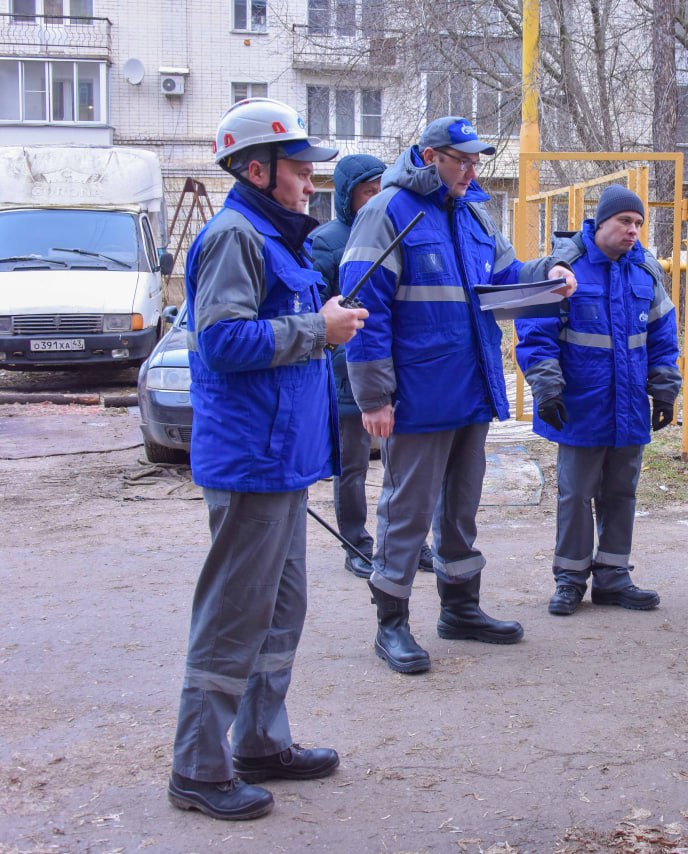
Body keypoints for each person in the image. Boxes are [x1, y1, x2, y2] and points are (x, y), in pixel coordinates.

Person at [169, 98, 367, 820]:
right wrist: (318, 329)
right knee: (235, 613)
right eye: (299, 167)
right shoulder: (235, 236)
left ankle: (258, 742)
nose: (311, 180)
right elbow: (223, 342)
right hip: (251, 460)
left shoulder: (277, 237)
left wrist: (321, 324)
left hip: (281, 460)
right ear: (258, 170)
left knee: (281, 610)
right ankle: (197, 767)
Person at [342, 116, 575, 674]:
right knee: (407, 510)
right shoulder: (387, 212)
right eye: (462, 161)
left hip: (471, 389)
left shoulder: (472, 214)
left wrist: (552, 270)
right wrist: (373, 397)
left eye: (475, 161)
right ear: (430, 157)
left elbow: (506, 276)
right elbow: (362, 307)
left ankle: (461, 609)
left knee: (461, 509)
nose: (472, 172)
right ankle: (391, 624)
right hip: (417, 396)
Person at [515, 185, 681, 616]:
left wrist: (665, 388)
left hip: (628, 406)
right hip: (580, 406)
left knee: (621, 493)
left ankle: (613, 577)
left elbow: (663, 337)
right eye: (625, 221)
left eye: (638, 223)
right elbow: (535, 333)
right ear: (601, 221)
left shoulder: (645, 272)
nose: (633, 230)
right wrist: (547, 388)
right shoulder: (564, 268)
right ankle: (570, 580)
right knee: (575, 495)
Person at [310, 154, 436, 580]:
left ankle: (410, 542)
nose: (377, 198)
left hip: (399, 369)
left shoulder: (399, 231)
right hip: (348, 374)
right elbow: (320, 311)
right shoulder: (327, 242)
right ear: (347, 197)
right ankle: (356, 543)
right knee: (353, 466)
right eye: (368, 191)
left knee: (405, 466)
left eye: (382, 189)